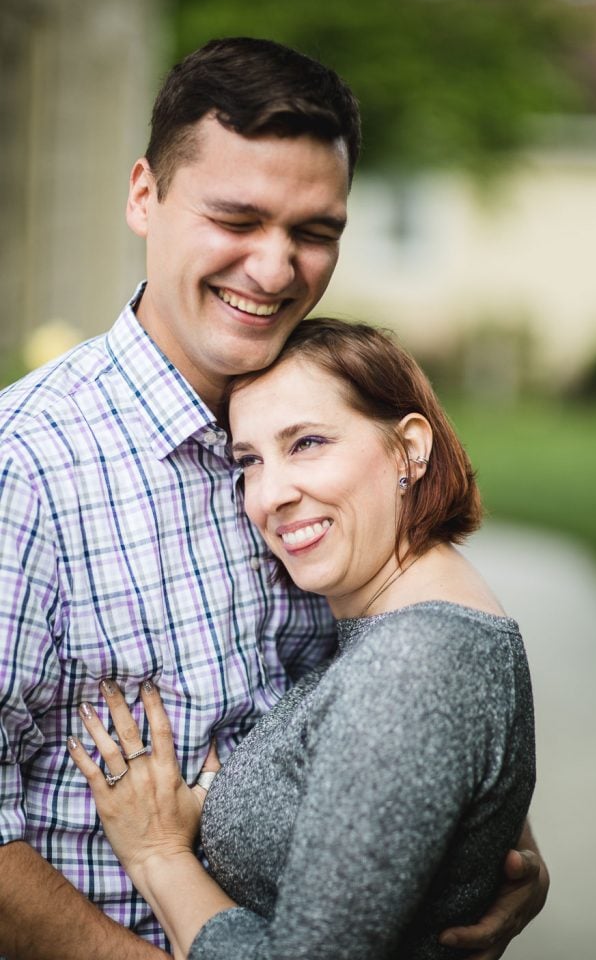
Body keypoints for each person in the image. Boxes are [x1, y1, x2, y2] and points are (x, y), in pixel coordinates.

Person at [0, 38, 547, 959]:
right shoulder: (26, 467)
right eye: (236, 218)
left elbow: (385, 708)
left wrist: (479, 839)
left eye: (313, 231)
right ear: (145, 195)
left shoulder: (328, 453)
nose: (274, 267)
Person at [69, 317, 537, 960]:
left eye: (308, 443)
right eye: (250, 461)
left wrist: (160, 858)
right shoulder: (409, 628)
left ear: (410, 449)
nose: (270, 495)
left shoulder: (409, 668)